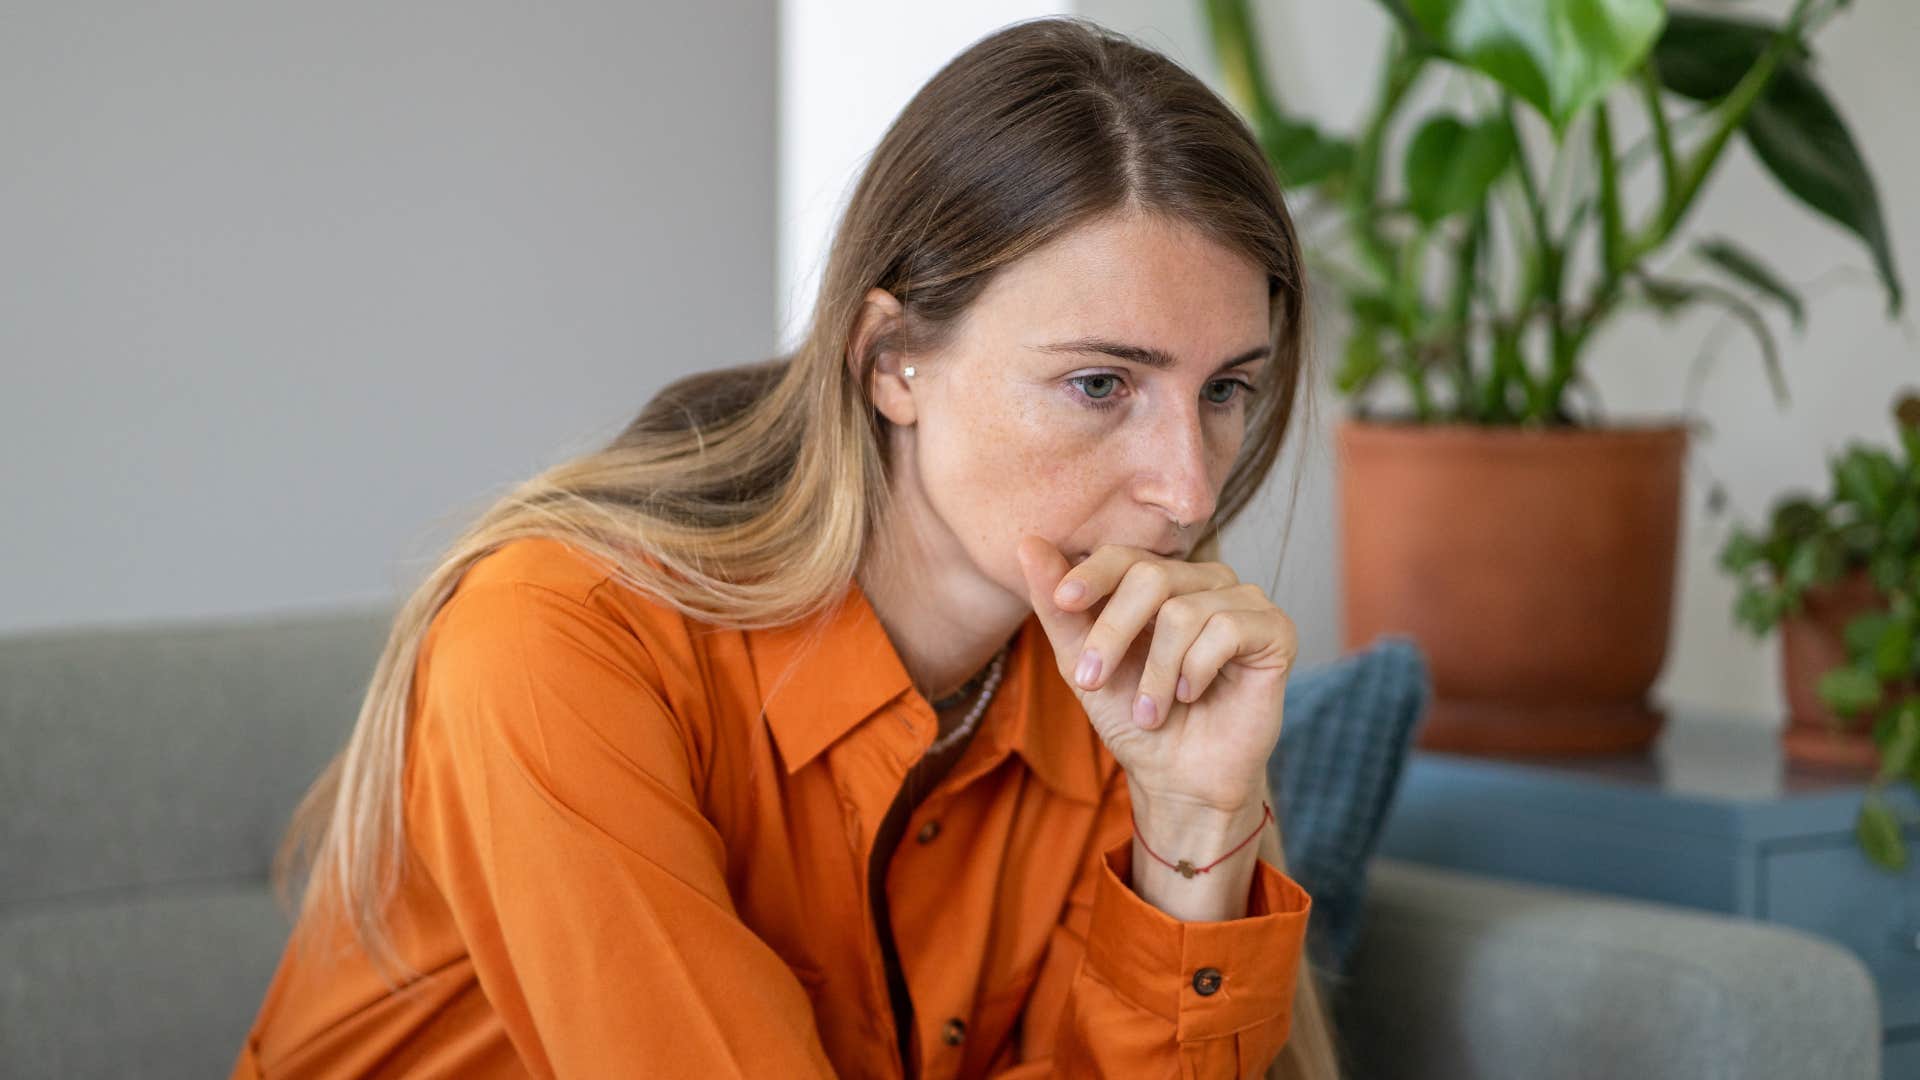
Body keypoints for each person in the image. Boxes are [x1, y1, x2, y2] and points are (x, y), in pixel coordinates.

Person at [232, 15, 1344, 1079]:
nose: (1187, 488)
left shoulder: (1124, 700)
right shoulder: (554, 637)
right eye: (1100, 383)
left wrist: (1197, 825)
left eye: (1226, 390)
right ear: (890, 360)